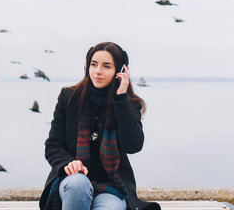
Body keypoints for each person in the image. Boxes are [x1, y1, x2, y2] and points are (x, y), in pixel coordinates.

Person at [39, 42, 161, 210]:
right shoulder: (68, 98)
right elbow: (53, 145)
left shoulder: (128, 104)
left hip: (111, 187)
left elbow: (133, 146)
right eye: (93, 64)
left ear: (119, 71)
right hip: (73, 180)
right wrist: (68, 163)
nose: (97, 71)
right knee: (77, 184)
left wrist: (121, 99)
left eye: (107, 66)